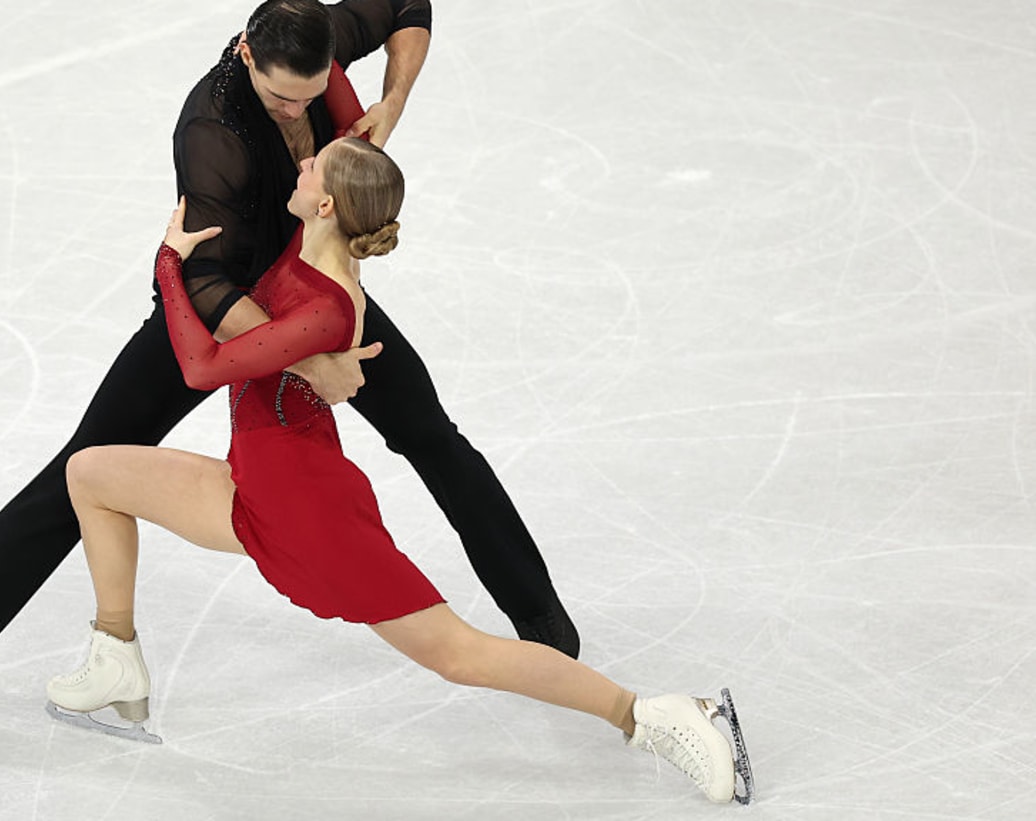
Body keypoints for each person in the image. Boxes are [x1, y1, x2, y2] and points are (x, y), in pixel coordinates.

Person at [0, 0, 579, 765]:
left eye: (310, 95)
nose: (298, 112)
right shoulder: (212, 130)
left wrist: (392, 102)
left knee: (432, 435)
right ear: (246, 55)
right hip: (215, 317)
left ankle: (542, 623)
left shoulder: (312, 39)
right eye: (281, 99)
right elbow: (204, 282)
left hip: (311, 304)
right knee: (82, 469)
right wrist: (305, 361)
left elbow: (407, 7)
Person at [46, 139, 754, 804]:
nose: (302, 165)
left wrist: (169, 265)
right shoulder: (310, 243)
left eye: (314, 166)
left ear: (327, 204)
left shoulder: (326, 304)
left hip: (303, 509)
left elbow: (203, 367)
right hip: (258, 482)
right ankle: (116, 656)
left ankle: (656, 715)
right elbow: (348, 131)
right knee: (93, 475)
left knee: (458, 654)